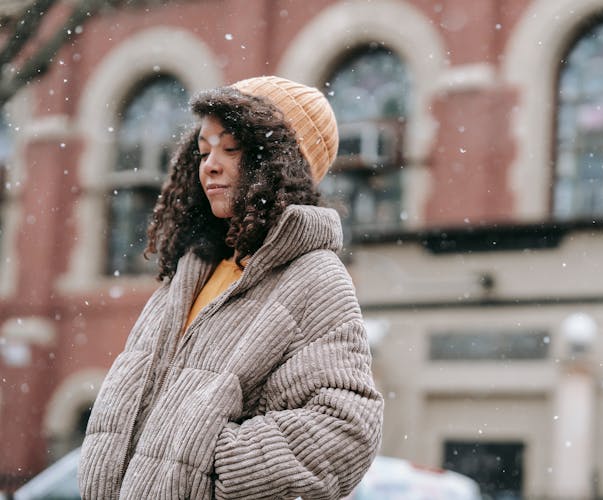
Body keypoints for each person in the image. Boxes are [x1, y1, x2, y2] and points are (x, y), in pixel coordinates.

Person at [78, 76, 384, 499]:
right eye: (203, 151)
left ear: (279, 163)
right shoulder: (190, 270)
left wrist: (208, 463)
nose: (211, 165)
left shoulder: (313, 277)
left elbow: (346, 431)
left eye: (231, 149)